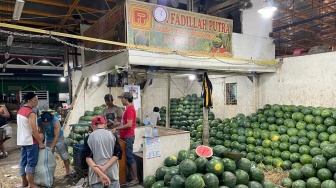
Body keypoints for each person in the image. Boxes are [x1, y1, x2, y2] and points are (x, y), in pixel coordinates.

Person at [82, 116, 122, 188]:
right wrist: (104, 167)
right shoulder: (112, 135)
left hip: (96, 175)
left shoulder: (89, 137)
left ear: (92, 126)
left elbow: (88, 158)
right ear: (105, 125)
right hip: (112, 173)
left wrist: (101, 174)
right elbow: (117, 154)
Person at [17, 92, 45, 188]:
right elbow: (33, 129)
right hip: (30, 141)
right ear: (29, 101)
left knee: (23, 161)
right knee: (31, 163)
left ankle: (24, 182)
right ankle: (31, 184)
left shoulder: (20, 110)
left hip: (22, 140)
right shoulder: (31, 112)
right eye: (35, 100)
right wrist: (40, 142)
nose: (37, 102)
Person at [112, 92, 139, 186]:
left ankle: (135, 178)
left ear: (126, 99)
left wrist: (117, 128)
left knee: (130, 157)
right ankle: (130, 176)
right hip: (125, 136)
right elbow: (125, 123)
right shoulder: (127, 109)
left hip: (128, 136)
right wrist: (118, 124)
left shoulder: (130, 109)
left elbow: (129, 124)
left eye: (122, 98)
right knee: (127, 158)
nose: (121, 100)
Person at [37, 111, 72, 176]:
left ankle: (68, 171)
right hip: (48, 139)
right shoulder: (39, 121)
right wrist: (41, 141)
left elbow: (56, 136)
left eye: (48, 122)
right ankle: (50, 174)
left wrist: (51, 148)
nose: (46, 124)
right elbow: (42, 131)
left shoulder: (55, 121)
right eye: (44, 122)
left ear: (51, 120)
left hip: (59, 138)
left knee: (64, 155)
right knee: (48, 157)